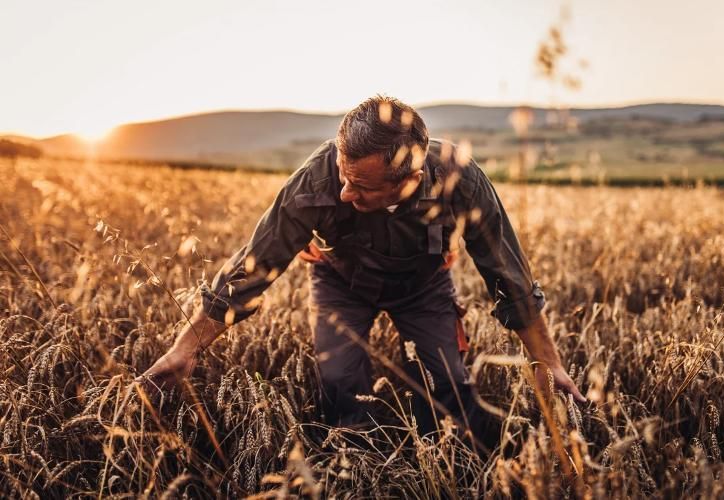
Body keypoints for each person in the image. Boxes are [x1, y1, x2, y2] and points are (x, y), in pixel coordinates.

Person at [138, 96, 585, 452]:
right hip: (340, 285)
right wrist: (185, 348)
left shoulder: (459, 180)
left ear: (409, 180)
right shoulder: (315, 180)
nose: (345, 193)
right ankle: (356, 464)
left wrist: (548, 363)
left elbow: (508, 275)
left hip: (423, 288)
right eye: (343, 175)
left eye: (363, 186)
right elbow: (252, 266)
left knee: (445, 387)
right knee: (339, 384)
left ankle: (446, 459)